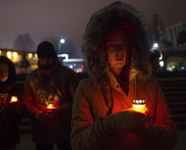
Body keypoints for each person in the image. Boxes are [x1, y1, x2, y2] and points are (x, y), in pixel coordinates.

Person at [71, 1, 178, 150]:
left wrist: (148, 130)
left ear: (133, 47)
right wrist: (110, 124)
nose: (119, 51)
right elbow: (78, 143)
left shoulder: (151, 85)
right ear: (100, 48)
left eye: (125, 44)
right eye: (112, 45)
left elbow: (171, 137)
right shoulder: (87, 89)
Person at [23, 41, 79, 150]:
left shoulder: (67, 75)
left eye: (48, 58)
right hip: (41, 129)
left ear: (53, 57)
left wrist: (61, 111)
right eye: (42, 58)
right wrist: (35, 114)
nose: (45, 62)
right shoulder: (31, 78)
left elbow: (77, 99)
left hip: (64, 128)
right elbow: (28, 101)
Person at [0, 56, 24, 150]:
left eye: (5, 70)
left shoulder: (14, 89)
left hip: (10, 135)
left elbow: (20, 113)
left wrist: (17, 108)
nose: (3, 73)